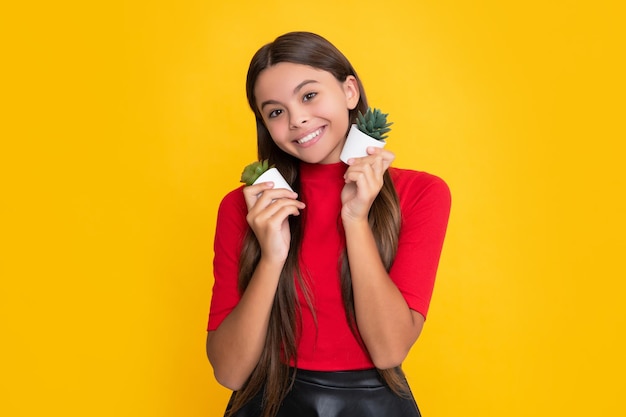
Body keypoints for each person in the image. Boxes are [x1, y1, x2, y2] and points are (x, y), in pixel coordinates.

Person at [206, 31, 451, 417]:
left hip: (374, 406)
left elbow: (389, 349)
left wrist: (355, 219)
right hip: (267, 403)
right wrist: (272, 257)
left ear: (349, 91)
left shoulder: (421, 193)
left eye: (308, 95)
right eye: (275, 111)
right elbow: (230, 372)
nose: (297, 119)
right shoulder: (246, 208)